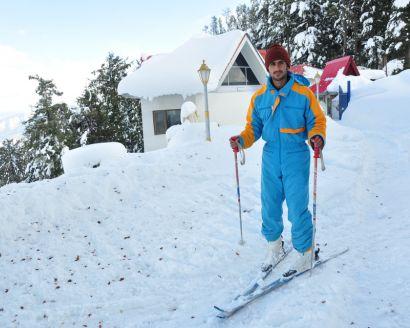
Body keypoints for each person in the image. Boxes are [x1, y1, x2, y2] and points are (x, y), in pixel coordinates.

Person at [229, 44, 326, 273]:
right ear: (268, 67)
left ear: (287, 65)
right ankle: (275, 246)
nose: (277, 68)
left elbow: (317, 121)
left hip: (296, 155)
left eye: (281, 63)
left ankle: (305, 251)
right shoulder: (260, 98)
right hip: (271, 155)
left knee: (296, 207)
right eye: (273, 64)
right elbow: (253, 127)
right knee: (269, 205)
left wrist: (317, 137)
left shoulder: (304, 94)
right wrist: (241, 140)